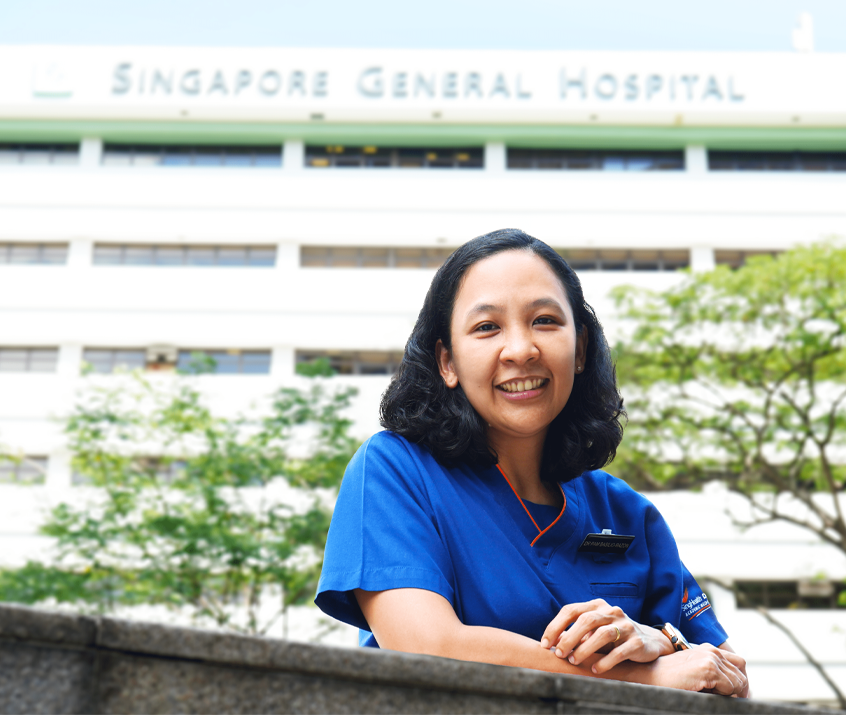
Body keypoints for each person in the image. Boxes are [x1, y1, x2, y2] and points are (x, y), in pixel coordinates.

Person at [315, 229, 748, 696]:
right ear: (447, 362)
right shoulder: (395, 472)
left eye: (544, 320)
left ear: (580, 349)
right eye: (487, 327)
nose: (521, 350)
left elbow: (728, 676)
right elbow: (426, 647)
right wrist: (644, 676)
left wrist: (660, 640)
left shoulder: (625, 513)